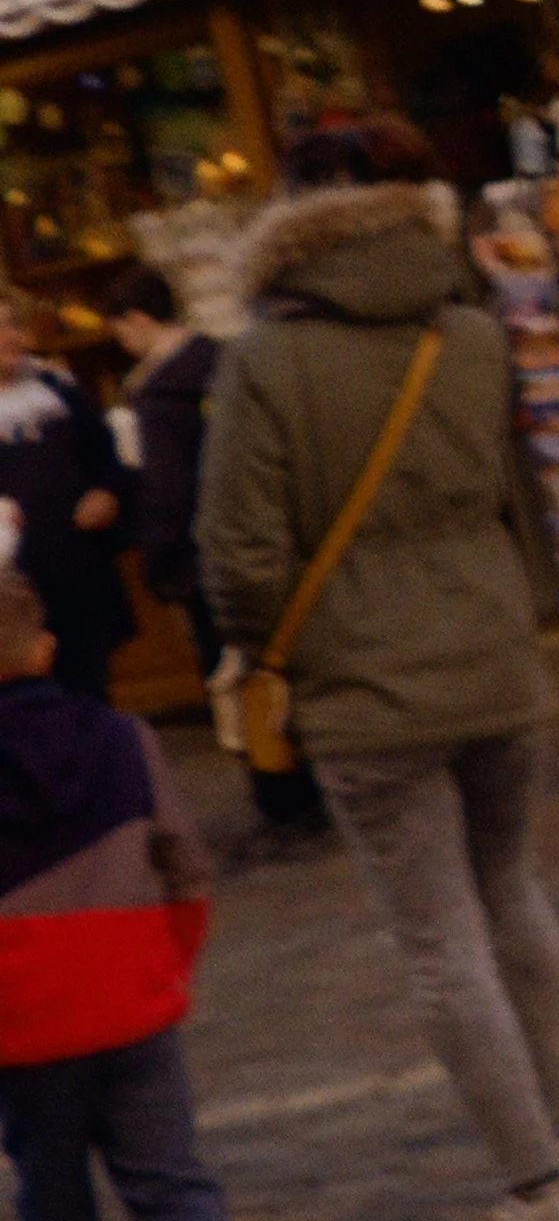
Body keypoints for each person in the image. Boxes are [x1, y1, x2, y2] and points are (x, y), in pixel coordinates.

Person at [197, 116, 559, 1221]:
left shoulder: (266, 359)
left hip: (364, 684)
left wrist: (269, 649)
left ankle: (532, 1196)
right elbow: (516, 488)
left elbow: (238, 550)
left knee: (439, 938)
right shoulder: (468, 329)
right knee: (512, 892)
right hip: (491, 655)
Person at [0, 569, 317, 1221]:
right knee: (175, 1184)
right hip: (134, 998)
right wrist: (167, 964)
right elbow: (186, 865)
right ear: (45, 648)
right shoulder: (124, 739)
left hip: (21, 1019)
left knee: (53, 1204)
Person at [105, 263, 326, 842]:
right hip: (271, 536)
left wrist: (160, 561)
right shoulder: (228, 362)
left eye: (121, 332)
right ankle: (315, 771)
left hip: (206, 553)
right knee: (286, 657)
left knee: (236, 673)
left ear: (138, 319)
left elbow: (168, 488)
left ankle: (279, 784)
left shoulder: (161, 393)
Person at [0, 290, 130, 701]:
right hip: (13, 585)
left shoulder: (55, 388)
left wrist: (105, 492)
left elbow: (108, 455)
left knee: (91, 690)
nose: (10, 336)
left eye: (12, 325)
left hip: (77, 570)